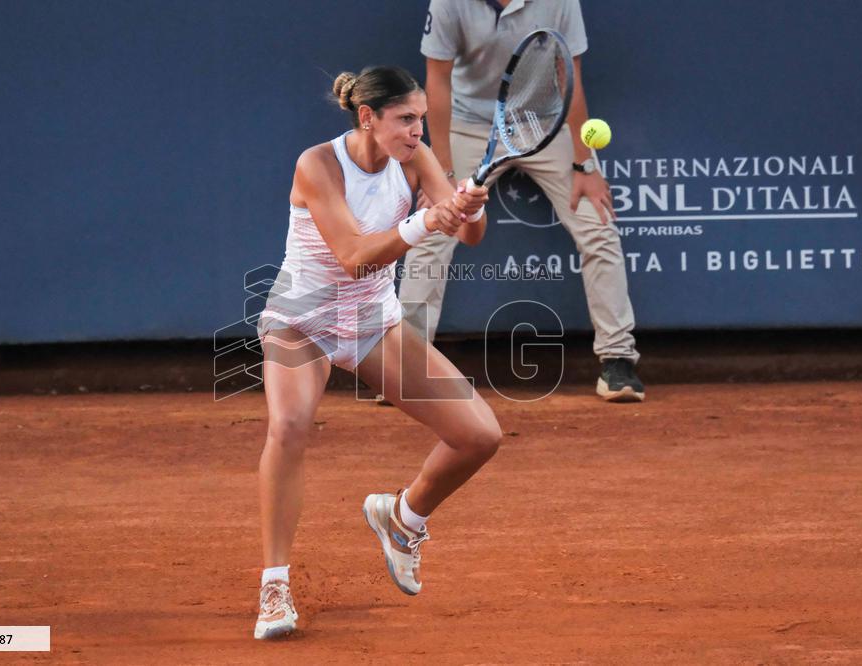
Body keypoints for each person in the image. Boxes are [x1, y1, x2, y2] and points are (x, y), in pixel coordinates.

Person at [252, 66, 503, 640]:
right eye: (406, 119)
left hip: (371, 323)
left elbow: (469, 235)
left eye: (420, 119)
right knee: (288, 426)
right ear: (368, 118)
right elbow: (352, 256)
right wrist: (423, 223)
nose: (418, 131)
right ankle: (274, 586)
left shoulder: (416, 157)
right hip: (303, 320)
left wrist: (470, 206)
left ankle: (403, 517)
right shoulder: (317, 164)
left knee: (480, 436)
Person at [401, 0, 646, 402]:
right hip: (468, 126)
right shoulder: (449, 3)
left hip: (546, 124)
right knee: (431, 231)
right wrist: (442, 173)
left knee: (598, 227)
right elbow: (437, 82)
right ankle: (405, 367)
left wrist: (585, 163)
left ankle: (617, 360)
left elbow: (570, 76)